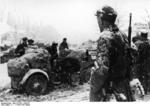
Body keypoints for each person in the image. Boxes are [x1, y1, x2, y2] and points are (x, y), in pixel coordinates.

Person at [90, 6, 138, 101]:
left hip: (110, 92)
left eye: (98, 19)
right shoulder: (122, 35)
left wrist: (93, 87)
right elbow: (134, 54)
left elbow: (101, 70)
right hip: (124, 87)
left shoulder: (105, 37)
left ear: (101, 19)